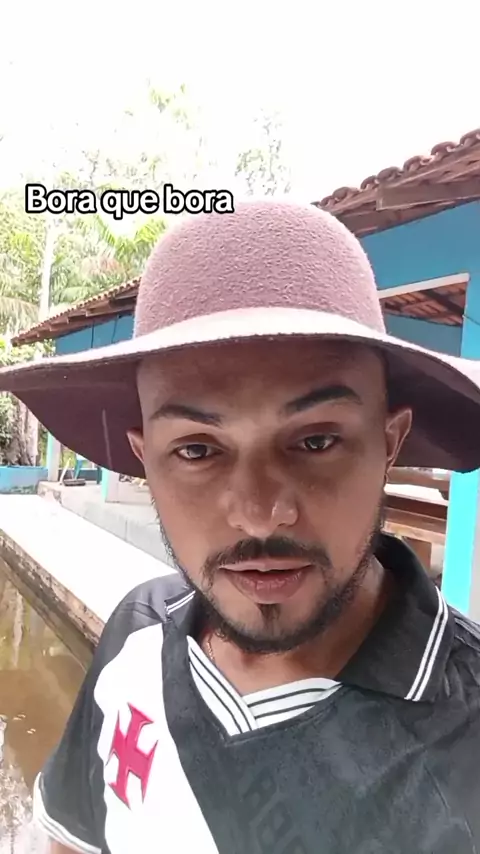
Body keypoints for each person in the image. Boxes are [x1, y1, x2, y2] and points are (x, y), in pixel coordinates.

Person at [3, 200, 480, 854]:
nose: (259, 513)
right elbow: (72, 838)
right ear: (146, 461)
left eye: (315, 441)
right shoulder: (138, 628)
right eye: (198, 450)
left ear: (388, 442)